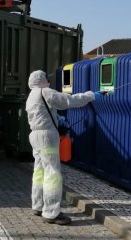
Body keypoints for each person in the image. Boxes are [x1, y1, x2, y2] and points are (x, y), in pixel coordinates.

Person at [25, 70, 103, 225]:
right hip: (47, 137)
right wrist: (91, 95)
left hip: (35, 136)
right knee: (52, 174)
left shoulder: (31, 95)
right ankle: (51, 213)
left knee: (39, 171)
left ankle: (38, 205)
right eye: (47, 79)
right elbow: (69, 100)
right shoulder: (44, 91)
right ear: (41, 80)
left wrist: (57, 118)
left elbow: (42, 113)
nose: (49, 81)